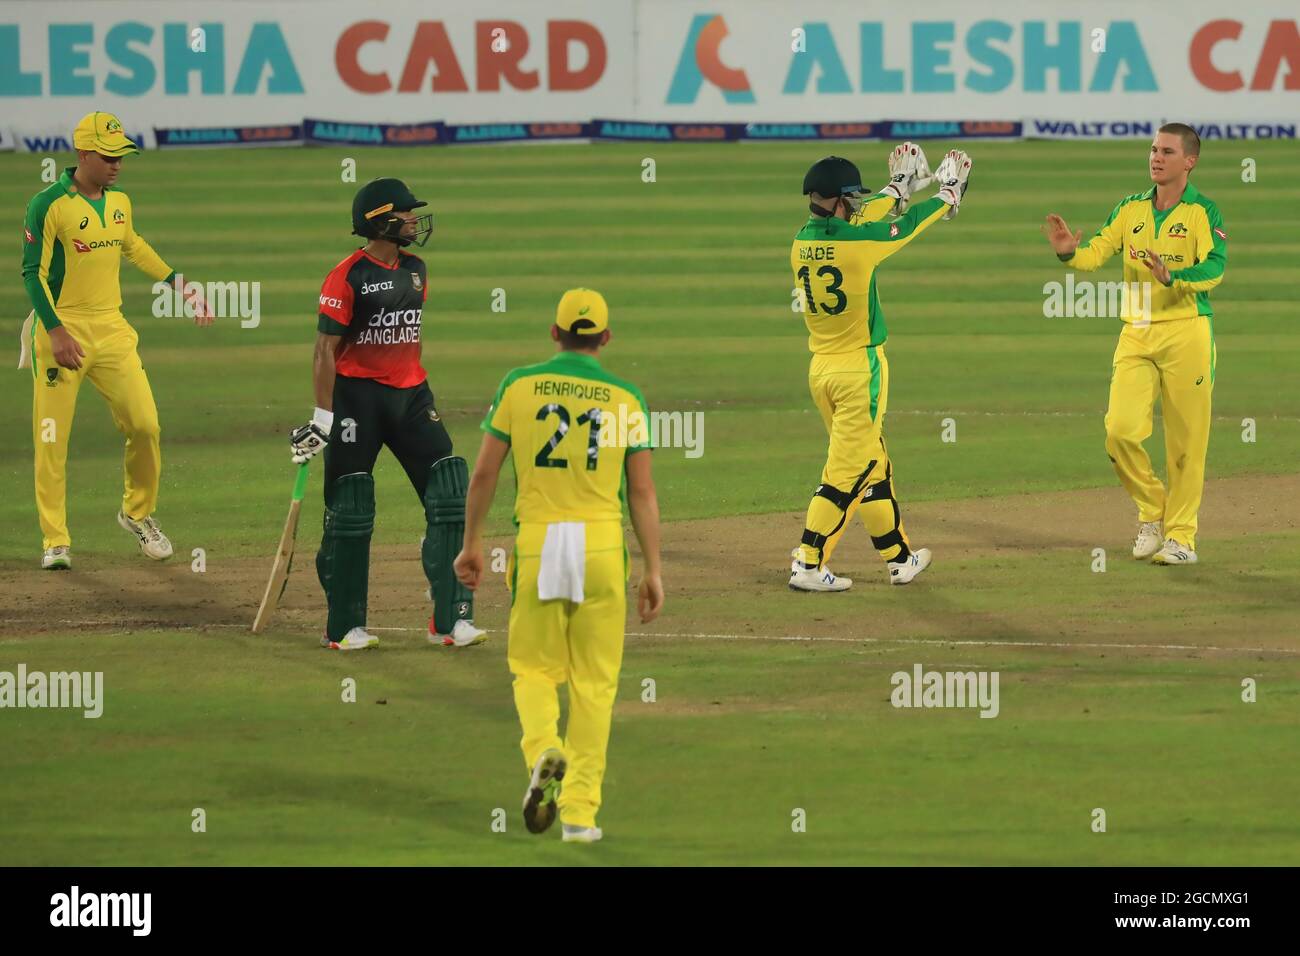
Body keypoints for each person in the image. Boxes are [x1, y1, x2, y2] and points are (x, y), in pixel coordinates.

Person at [454, 288, 664, 843]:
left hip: (542, 544)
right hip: (599, 547)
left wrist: (472, 542)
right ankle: (579, 816)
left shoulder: (519, 386)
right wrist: (654, 569)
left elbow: (482, 476)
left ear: (554, 333)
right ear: (606, 338)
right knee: (595, 686)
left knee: (534, 669)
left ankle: (544, 746)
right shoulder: (625, 396)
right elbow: (641, 492)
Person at [289, 177, 485, 650]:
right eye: (408, 214)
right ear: (382, 221)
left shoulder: (417, 269)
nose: (417, 221)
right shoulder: (347, 276)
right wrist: (322, 418)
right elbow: (324, 351)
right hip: (358, 401)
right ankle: (344, 625)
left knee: (450, 491)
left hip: (413, 396)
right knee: (351, 509)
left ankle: (452, 618)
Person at [21, 111, 213, 571]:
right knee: (52, 439)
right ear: (83, 154)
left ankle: (138, 513)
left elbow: (133, 245)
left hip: (111, 331)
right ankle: (55, 540)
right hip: (60, 330)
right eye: (108, 156)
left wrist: (180, 284)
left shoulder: (121, 202)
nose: (116, 165)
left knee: (145, 425)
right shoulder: (47, 204)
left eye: (121, 156)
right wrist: (56, 330)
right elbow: (33, 273)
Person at [789, 144, 971, 591]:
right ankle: (807, 562)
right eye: (850, 196)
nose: (855, 202)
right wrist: (947, 197)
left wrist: (895, 189)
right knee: (844, 474)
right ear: (835, 200)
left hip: (822, 369)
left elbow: (865, 215)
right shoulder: (858, 245)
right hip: (859, 371)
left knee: (872, 465)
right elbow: (901, 228)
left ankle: (899, 558)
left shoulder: (801, 241)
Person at [1044, 123, 1226, 565]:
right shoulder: (1130, 209)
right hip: (1138, 331)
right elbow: (1096, 253)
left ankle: (1180, 538)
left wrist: (1174, 278)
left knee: (1186, 444)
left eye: (1166, 151)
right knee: (1119, 430)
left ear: (1190, 161)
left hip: (1188, 332)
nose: (1156, 157)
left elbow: (1215, 269)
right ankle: (1152, 509)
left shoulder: (1203, 212)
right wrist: (1069, 252)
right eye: (1153, 149)